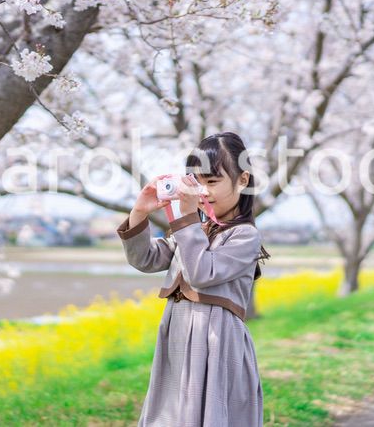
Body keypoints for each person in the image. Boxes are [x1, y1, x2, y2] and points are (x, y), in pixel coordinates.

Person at [116, 131, 271, 427]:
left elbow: (202, 274)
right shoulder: (193, 231)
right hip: (178, 333)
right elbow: (145, 259)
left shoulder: (245, 235)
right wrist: (140, 211)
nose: (203, 192)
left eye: (212, 182)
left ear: (242, 180)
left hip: (215, 339)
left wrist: (186, 219)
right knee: (171, 414)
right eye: (196, 182)